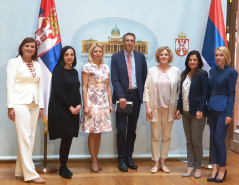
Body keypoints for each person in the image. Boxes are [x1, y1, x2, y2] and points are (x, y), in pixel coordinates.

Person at [6, 37, 45, 183]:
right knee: (25, 138)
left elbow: (39, 86)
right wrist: (10, 106)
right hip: (19, 103)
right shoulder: (13, 63)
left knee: (30, 138)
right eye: (27, 46)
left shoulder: (36, 64)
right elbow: (9, 86)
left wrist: (41, 106)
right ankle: (31, 174)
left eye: (32, 47)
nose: (30, 48)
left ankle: (20, 170)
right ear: (22, 47)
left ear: (35, 50)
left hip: (34, 104)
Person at [111, 32, 147, 172]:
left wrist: (142, 95)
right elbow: (114, 79)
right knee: (121, 130)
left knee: (132, 129)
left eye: (132, 40)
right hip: (122, 98)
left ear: (134, 42)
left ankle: (129, 158)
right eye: (127, 40)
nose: (129, 43)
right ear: (123, 42)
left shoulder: (140, 57)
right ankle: (121, 160)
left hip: (135, 97)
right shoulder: (116, 57)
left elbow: (144, 77)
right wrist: (121, 96)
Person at [143, 46, 180, 173]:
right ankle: (156, 163)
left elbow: (180, 91)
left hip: (170, 110)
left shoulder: (176, 71)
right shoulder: (152, 70)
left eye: (166, 54)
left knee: (166, 137)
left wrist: (178, 108)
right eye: (161, 54)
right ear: (158, 56)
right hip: (154, 109)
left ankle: (163, 163)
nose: (164, 56)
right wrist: (147, 107)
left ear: (169, 56)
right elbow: (146, 89)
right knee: (155, 137)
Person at [48, 46, 81, 179]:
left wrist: (79, 105)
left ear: (74, 57)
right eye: (66, 54)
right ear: (62, 56)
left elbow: (76, 89)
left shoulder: (74, 71)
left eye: (71, 54)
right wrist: (70, 107)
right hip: (61, 109)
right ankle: (63, 167)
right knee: (66, 136)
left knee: (68, 138)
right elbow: (59, 91)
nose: (69, 57)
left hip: (74, 109)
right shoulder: (58, 70)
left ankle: (64, 165)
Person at [175, 50, 209, 178]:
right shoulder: (184, 74)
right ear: (187, 61)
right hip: (185, 112)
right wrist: (178, 108)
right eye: (190, 60)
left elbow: (205, 92)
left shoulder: (202, 74)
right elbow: (181, 94)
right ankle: (190, 165)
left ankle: (198, 166)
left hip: (197, 113)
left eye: (195, 60)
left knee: (196, 141)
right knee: (189, 140)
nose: (192, 62)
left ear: (199, 61)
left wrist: (201, 109)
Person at [206, 46, 238, 183]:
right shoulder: (212, 71)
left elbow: (232, 94)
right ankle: (214, 169)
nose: (218, 57)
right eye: (217, 55)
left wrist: (229, 113)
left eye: (221, 55)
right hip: (211, 108)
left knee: (219, 140)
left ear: (226, 57)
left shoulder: (232, 72)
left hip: (223, 110)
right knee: (213, 140)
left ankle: (222, 170)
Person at [80, 43, 113, 173]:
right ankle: (93, 160)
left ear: (102, 53)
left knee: (99, 132)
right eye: (96, 51)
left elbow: (108, 87)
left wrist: (110, 104)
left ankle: (96, 159)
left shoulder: (106, 67)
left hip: (103, 103)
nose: (98, 53)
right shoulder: (87, 67)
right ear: (91, 53)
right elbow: (84, 87)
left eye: (100, 51)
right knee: (93, 132)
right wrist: (86, 104)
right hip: (92, 103)